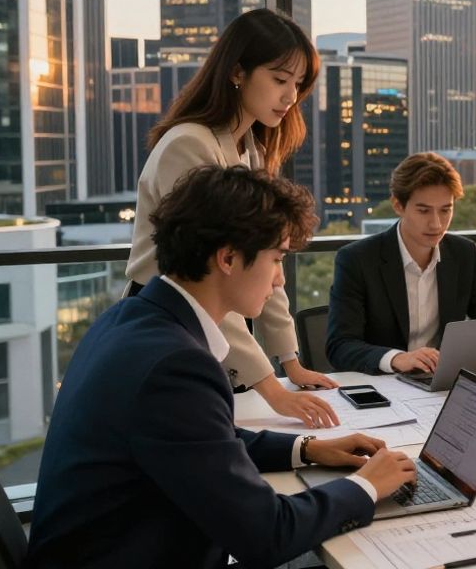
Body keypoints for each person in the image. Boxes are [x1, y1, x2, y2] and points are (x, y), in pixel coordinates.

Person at [27, 166, 418, 569]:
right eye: (277, 258)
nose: (280, 279)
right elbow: (267, 534)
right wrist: (366, 487)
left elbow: (202, 441)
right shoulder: (175, 365)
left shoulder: (130, 318)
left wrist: (309, 449)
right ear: (228, 258)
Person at [127, 8, 340, 429]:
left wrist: (290, 362)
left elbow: (263, 263)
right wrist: (273, 386)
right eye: (280, 80)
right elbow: (210, 275)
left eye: (298, 85)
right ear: (238, 72)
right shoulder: (188, 146)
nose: (291, 96)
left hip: (210, 325)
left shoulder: (250, 149)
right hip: (168, 322)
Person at [327, 152, 476, 374]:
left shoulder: (463, 253)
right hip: (383, 384)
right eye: (423, 211)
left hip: (438, 383)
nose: (436, 224)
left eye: (445, 210)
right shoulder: (357, 260)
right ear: (398, 206)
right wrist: (397, 359)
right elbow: (340, 346)